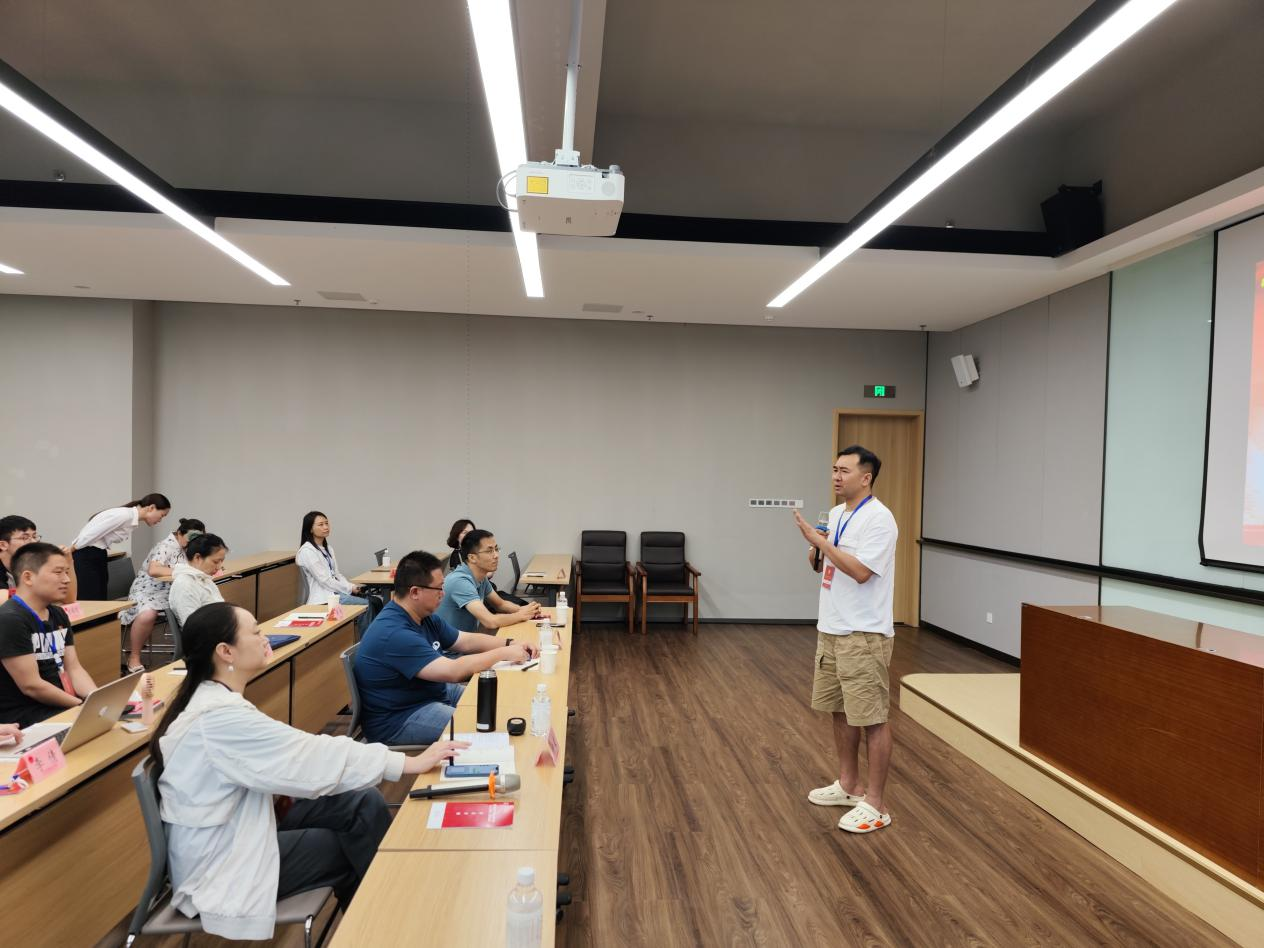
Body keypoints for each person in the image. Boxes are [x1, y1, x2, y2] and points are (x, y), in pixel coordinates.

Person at [150, 601, 467, 940]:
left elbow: (297, 757)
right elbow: (307, 755)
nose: (266, 638)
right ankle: (386, 929)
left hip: (240, 823)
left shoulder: (216, 702)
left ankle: (393, 912)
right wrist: (408, 763)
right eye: (255, 633)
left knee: (362, 801)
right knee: (345, 846)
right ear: (225, 652)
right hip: (220, 865)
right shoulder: (217, 718)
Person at [793, 445, 899, 834]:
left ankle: (876, 804)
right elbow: (819, 563)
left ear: (866, 478)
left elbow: (861, 572)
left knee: (872, 717)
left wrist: (821, 543)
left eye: (844, 471)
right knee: (840, 710)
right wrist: (815, 546)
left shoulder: (880, 519)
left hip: (864, 634)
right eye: (834, 469)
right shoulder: (837, 513)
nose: (836, 476)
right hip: (833, 627)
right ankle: (849, 785)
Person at [354, 550, 538, 745]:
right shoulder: (394, 633)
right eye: (438, 589)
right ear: (415, 592)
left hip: (430, 693)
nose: (443, 594)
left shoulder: (423, 616)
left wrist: (510, 643)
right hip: (401, 717)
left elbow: (465, 641)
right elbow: (453, 671)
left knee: (502, 705)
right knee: (484, 727)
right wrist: (503, 653)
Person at [0, 542, 98, 728]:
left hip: (60, 703)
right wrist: (82, 706)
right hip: (25, 714)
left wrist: (96, 699)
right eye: (58, 572)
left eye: (67, 572)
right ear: (28, 577)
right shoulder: (10, 619)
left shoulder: (57, 614)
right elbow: (31, 686)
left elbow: (73, 668)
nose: (66, 580)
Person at [119, 518, 206, 674]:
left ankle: (193, 653)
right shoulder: (165, 546)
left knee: (197, 605)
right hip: (147, 591)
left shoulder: (188, 548)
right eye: (191, 537)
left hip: (171, 590)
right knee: (148, 614)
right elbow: (154, 570)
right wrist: (183, 571)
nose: (192, 542)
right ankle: (134, 657)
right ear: (179, 533)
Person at [70, 493, 172, 600]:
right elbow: (90, 534)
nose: (160, 520)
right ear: (151, 508)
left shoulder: (129, 517)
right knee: (91, 599)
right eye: (162, 515)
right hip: (87, 554)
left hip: (95, 553)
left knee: (99, 598)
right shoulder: (125, 515)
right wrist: (70, 550)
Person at [436, 530, 540, 633]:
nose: (496, 555)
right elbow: (490, 621)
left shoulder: (481, 577)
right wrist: (521, 615)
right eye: (489, 551)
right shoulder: (460, 581)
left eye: (496, 549)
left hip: (465, 640)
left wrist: (525, 610)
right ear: (472, 557)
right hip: (446, 644)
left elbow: (500, 605)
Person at [295, 511, 374, 635]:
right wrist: (349, 588)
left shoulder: (328, 548)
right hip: (323, 598)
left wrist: (351, 586)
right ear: (310, 529)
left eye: (326, 523)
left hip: (335, 593)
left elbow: (336, 574)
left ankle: (375, 639)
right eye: (321, 524)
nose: (326, 527)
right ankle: (366, 643)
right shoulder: (307, 551)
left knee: (376, 601)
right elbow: (325, 580)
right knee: (366, 605)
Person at [0, 515, 78, 601]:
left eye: (34, 537)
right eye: (25, 538)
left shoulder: (34, 564)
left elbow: (68, 599)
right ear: (3, 545)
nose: (33, 542)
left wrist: (68, 561)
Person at [169, 533, 229, 626]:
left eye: (222, 561)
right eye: (216, 562)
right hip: (208, 633)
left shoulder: (204, 579)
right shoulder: (185, 584)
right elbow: (193, 626)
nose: (219, 567)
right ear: (197, 557)